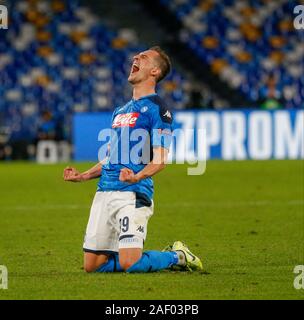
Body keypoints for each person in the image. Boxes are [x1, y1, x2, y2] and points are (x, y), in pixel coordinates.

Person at [63, 46, 203, 273]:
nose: (136, 58)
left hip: (133, 193)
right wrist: (84, 176)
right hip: (104, 192)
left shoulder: (159, 110)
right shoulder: (120, 111)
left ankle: (177, 256)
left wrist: (136, 177)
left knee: (131, 263)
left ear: (155, 72)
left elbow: (160, 160)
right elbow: (111, 157)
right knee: (92, 266)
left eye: (144, 57)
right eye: (137, 56)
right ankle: (135, 253)